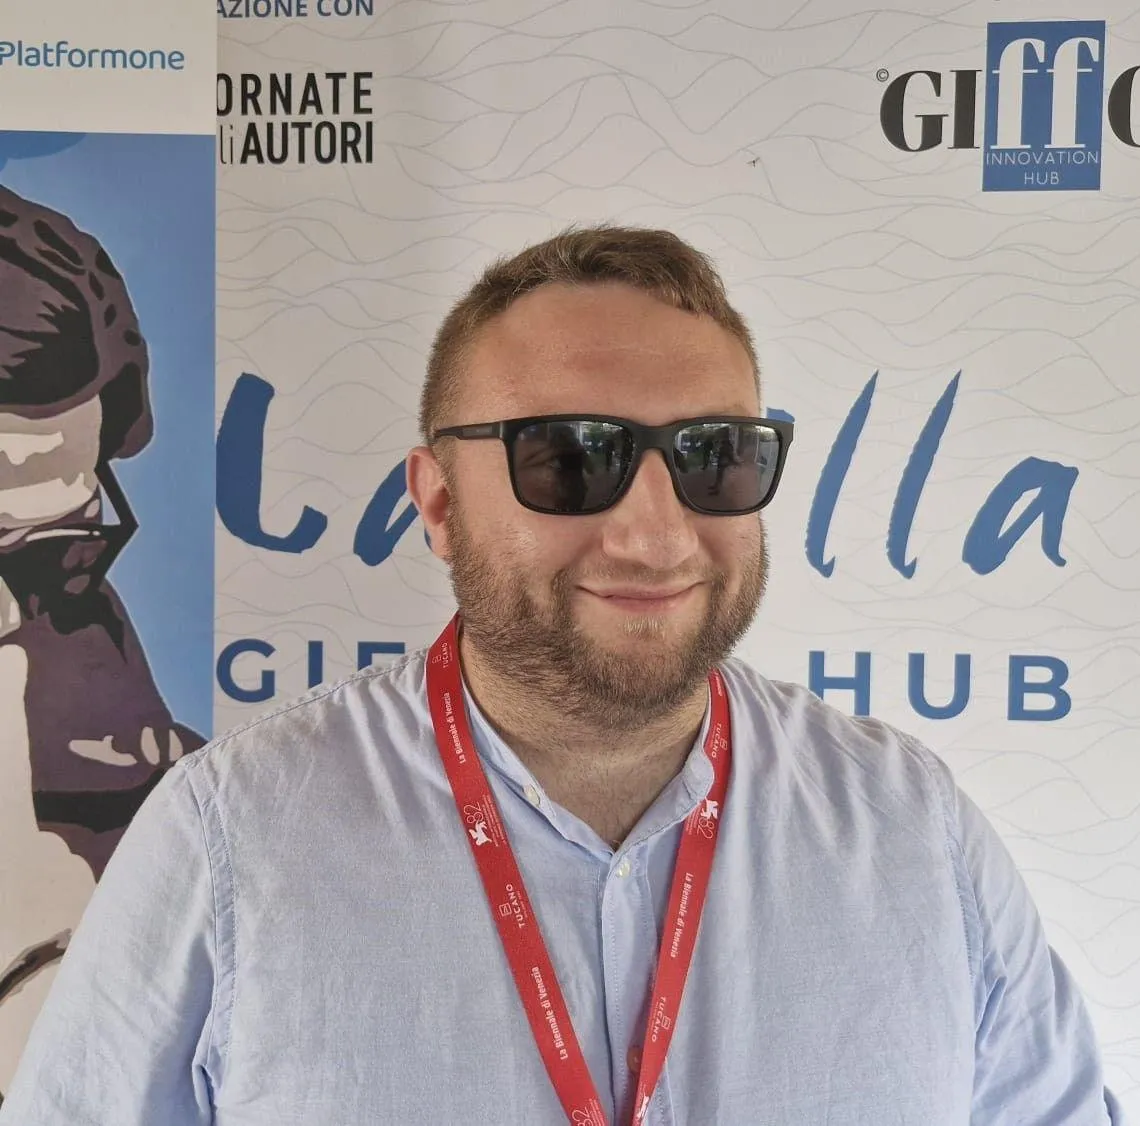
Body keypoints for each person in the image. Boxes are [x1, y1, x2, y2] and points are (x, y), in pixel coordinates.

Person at [0, 225, 1124, 1125]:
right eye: (572, 458)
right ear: (439, 502)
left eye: (714, 456)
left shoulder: (913, 829)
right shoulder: (230, 834)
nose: (656, 533)